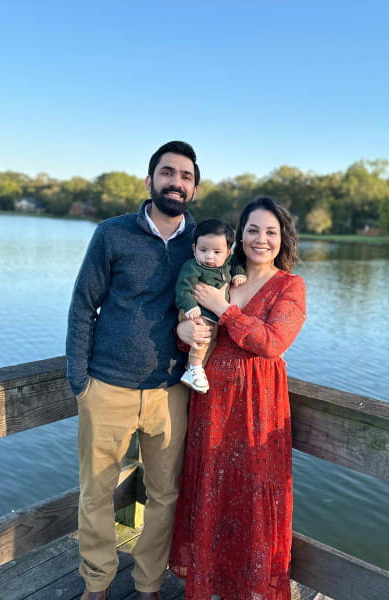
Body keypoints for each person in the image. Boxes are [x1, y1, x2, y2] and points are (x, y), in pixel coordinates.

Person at [66, 140, 211, 600]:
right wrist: (79, 381)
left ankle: (149, 585)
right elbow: (82, 306)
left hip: (171, 390)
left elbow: (232, 293)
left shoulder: (202, 245)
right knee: (96, 493)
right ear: (150, 182)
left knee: (165, 497)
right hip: (107, 386)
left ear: (194, 188)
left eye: (186, 177)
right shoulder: (112, 234)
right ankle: (97, 583)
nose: (177, 183)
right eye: (168, 173)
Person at [169, 197, 307, 600]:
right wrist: (184, 333)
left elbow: (272, 342)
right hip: (211, 403)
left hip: (258, 408)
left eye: (270, 232)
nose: (260, 240)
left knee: (252, 496)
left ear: (283, 239)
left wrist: (224, 310)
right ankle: (209, 583)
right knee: (212, 490)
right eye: (252, 230)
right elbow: (192, 327)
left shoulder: (290, 286)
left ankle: (249, 588)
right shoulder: (222, 275)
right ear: (238, 236)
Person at [176, 219, 246, 394]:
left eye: (216, 252)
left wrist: (238, 273)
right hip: (193, 312)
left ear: (227, 253)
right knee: (204, 333)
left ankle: (193, 369)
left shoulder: (227, 264)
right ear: (194, 249)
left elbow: (237, 262)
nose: (209, 257)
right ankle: (195, 368)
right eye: (203, 250)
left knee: (212, 339)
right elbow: (182, 288)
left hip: (211, 313)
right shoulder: (192, 267)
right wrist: (190, 306)